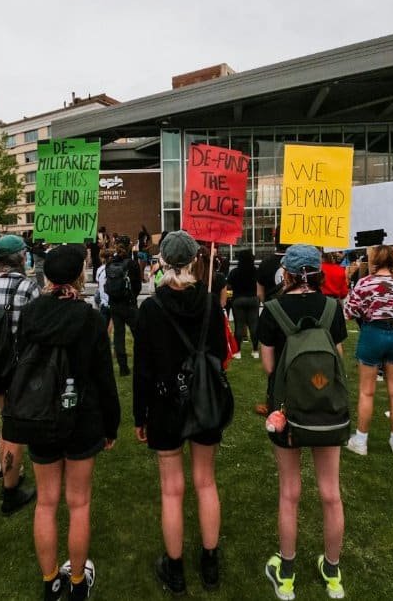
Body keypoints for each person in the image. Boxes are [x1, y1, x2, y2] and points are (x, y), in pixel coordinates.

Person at [8, 244, 118, 601]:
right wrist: (111, 424)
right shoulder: (90, 318)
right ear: (78, 276)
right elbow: (104, 377)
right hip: (81, 416)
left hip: (40, 414)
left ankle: (52, 580)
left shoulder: (31, 313)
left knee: (46, 502)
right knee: (79, 503)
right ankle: (76, 582)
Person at [134, 231, 230, 594]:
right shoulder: (209, 304)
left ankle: (177, 569)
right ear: (193, 261)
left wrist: (140, 415)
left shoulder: (151, 309)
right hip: (203, 401)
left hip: (165, 405)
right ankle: (208, 564)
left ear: (162, 262)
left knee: (172, 490)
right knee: (205, 481)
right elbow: (220, 355)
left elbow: (143, 369)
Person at [258, 245, 347, 601]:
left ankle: (286, 573)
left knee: (289, 492)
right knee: (330, 493)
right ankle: (333, 572)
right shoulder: (332, 307)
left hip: (286, 411)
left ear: (289, 274)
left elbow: (269, 366)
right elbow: (338, 358)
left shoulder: (273, 310)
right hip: (327, 408)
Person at [0, 234, 41, 512]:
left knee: (6, 418)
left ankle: (9, 474)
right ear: (20, 257)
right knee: (15, 428)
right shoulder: (27, 287)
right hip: (18, 365)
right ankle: (10, 490)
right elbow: (36, 327)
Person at [344, 245, 393, 456]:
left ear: (374, 260)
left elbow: (348, 311)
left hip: (372, 334)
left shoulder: (365, 283)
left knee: (367, 391)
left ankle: (361, 440)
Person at [103, 243, 142, 376]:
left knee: (119, 336)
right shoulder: (132, 264)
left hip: (114, 304)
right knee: (139, 334)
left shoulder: (110, 264)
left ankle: (123, 367)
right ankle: (141, 363)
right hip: (129, 304)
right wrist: (133, 296)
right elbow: (137, 285)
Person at [226, 250, 260, 360]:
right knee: (254, 325)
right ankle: (255, 350)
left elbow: (229, 285)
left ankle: (238, 352)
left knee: (239, 326)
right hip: (253, 299)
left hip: (238, 299)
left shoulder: (234, 272)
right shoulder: (256, 271)